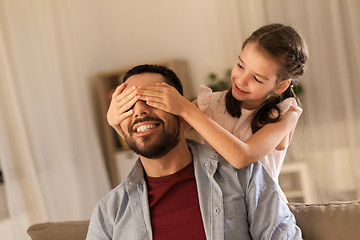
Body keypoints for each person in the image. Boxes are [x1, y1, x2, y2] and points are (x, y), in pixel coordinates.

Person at [86, 64, 302, 239]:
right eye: (128, 105)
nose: (140, 110)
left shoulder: (244, 178)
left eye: (153, 99)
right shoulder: (109, 213)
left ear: (183, 113)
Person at [136, 23, 308, 202]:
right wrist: (117, 123)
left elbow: (242, 157)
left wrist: (187, 109)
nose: (241, 80)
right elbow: (163, 138)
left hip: (265, 210)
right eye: (240, 66)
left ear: (281, 85)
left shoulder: (284, 115)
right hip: (221, 210)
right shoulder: (211, 104)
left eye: (256, 78)